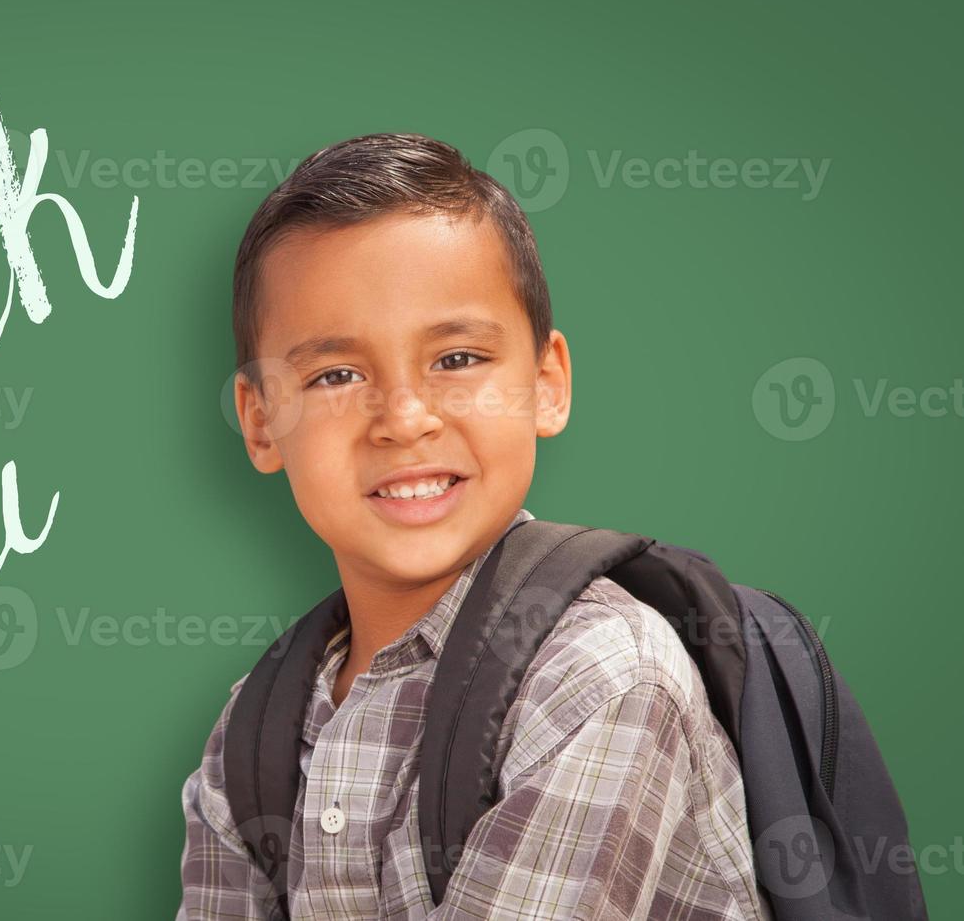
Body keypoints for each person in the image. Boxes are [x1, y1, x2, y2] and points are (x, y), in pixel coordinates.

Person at [177, 134, 770, 919]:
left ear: (547, 383)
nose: (405, 418)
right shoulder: (253, 734)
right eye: (336, 375)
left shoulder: (599, 675)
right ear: (259, 423)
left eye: (457, 359)